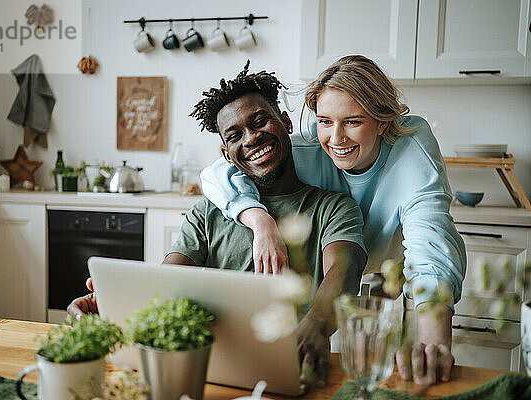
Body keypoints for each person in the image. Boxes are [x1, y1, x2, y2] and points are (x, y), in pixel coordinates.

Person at [68, 63, 367, 388]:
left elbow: (343, 271)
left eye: (260, 121)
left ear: (285, 121)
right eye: (235, 136)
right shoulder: (205, 213)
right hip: (208, 372)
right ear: (226, 153)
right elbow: (166, 284)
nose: (251, 138)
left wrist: (315, 327)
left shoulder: (334, 207)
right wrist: (112, 306)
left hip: (295, 369)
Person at [200, 55, 466, 385]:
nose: (336, 138)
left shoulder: (411, 146)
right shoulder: (309, 144)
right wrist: (261, 221)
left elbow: (431, 242)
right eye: (325, 121)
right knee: (347, 367)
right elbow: (216, 172)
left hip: (396, 271)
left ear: (382, 121)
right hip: (344, 262)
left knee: (397, 368)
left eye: (353, 122)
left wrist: (433, 334)